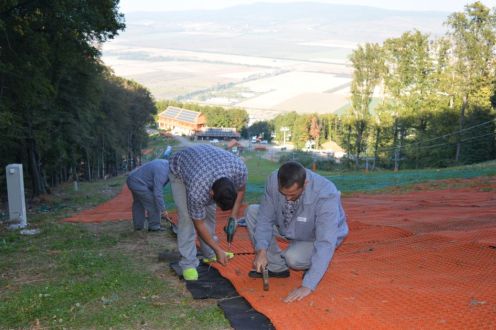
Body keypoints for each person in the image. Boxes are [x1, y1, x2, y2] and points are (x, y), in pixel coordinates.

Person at [245, 161, 348, 303]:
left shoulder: (326, 193)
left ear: (305, 184)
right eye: (283, 194)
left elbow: (325, 242)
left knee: (292, 257)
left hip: (315, 234)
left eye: (292, 194)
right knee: (253, 212)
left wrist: (308, 285)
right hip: (291, 225)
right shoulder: (273, 180)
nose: (287, 198)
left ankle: (311, 265)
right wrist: (261, 250)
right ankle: (276, 267)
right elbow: (264, 219)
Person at [169, 144, 247, 281]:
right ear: (211, 193)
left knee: (210, 215)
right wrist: (219, 249)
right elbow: (198, 223)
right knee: (187, 219)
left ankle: (209, 253)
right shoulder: (197, 189)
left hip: (207, 164)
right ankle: (188, 263)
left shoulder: (240, 170)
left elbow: (241, 190)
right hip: (180, 169)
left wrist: (233, 217)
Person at [126, 158, 170, 232]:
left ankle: (138, 226)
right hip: (138, 182)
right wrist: (163, 210)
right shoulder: (163, 172)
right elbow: (157, 193)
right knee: (153, 202)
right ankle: (154, 227)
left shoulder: (165, 164)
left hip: (132, 178)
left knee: (139, 203)